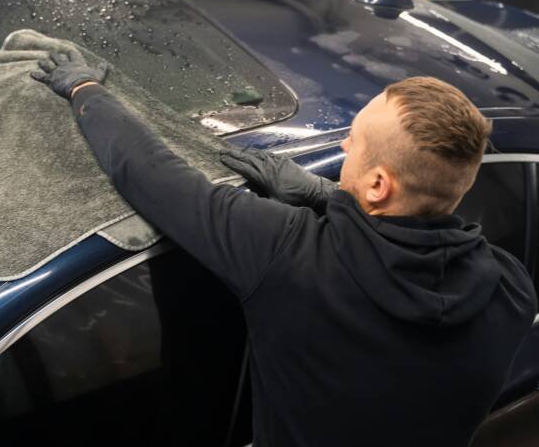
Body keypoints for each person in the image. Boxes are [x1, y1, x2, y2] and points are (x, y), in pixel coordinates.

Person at [31, 52, 537, 447]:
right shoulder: (513, 288)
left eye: (355, 142)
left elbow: (152, 175)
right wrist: (329, 197)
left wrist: (84, 89)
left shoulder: (290, 255)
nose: (344, 148)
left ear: (380, 184)